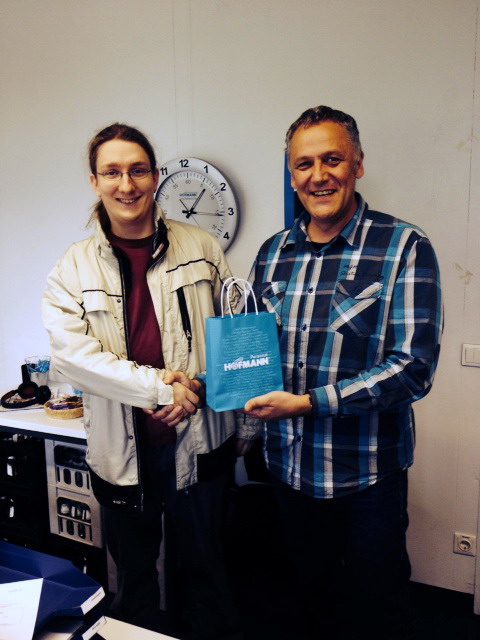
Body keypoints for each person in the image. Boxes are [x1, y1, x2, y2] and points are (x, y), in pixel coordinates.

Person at [42, 123, 256, 640]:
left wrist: (224, 407)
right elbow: (73, 358)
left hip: (201, 441)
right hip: (122, 454)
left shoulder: (201, 246)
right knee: (134, 582)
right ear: (94, 181)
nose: (126, 184)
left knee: (208, 575)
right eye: (112, 172)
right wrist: (162, 389)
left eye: (138, 170)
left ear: (155, 176)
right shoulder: (72, 268)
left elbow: (234, 336)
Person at [243, 106, 443, 640]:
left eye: (332, 159)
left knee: (379, 610)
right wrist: (212, 383)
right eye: (304, 164)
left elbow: (413, 368)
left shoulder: (404, 246)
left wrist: (309, 403)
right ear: (292, 176)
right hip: (289, 469)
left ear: (358, 164)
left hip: (367, 477)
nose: (319, 176)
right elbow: (253, 353)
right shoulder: (272, 253)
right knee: (312, 604)